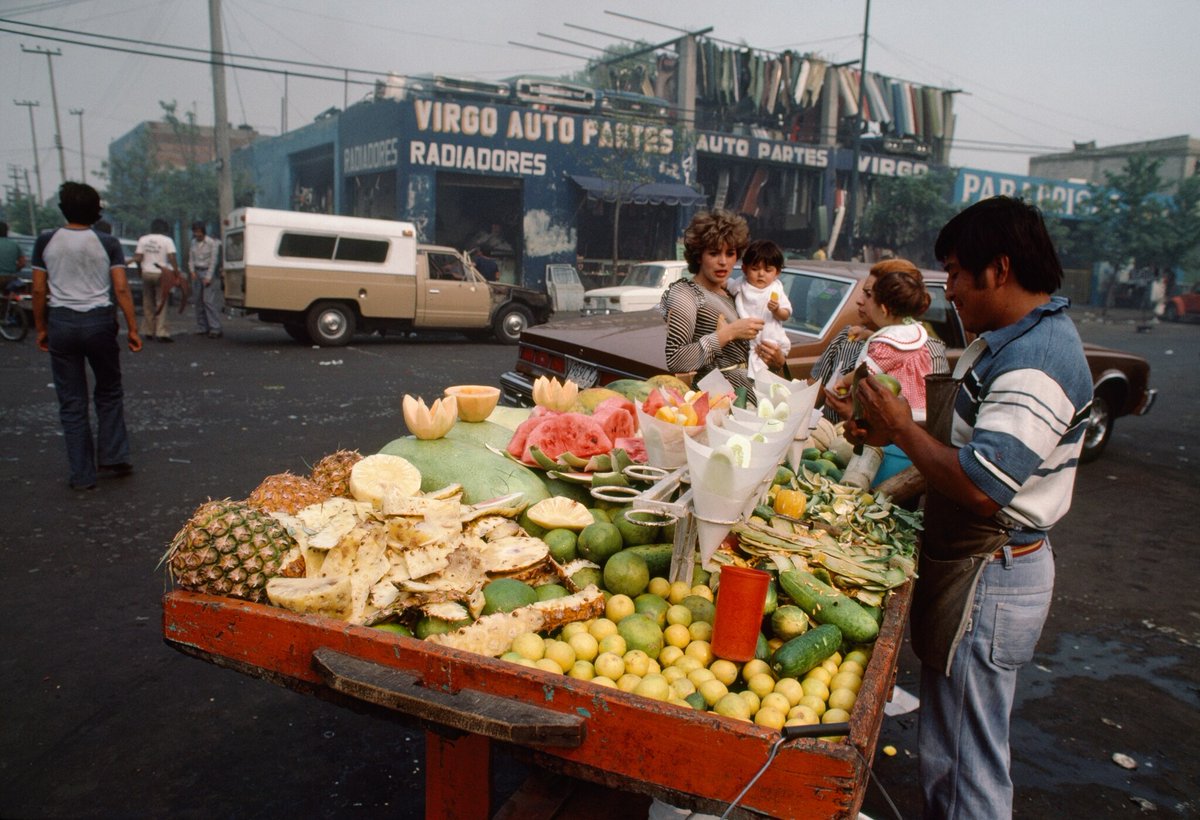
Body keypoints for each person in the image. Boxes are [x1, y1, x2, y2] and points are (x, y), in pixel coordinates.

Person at [849, 196, 1093, 820]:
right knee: (951, 755)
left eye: (957, 271)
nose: (948, 288)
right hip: (980, 568)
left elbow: (984, 485)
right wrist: (890, 434)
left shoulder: (1037, 359)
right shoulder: (1009, 341)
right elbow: (969, 443)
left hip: (995, 574)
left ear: (1000, 269)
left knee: (968, 770)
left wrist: (903, 430)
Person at [30, 182, 141, 491]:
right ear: (96, 211)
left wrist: (41, 328)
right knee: (108, 391)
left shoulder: (46, 241)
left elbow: (39, 289)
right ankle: (114, 455)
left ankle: (82, 475)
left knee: (72, 402)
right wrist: (132, 328)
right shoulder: (107, 242)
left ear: (64, 209)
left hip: (62, 323)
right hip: (99, 324)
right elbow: (120, 288)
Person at [659, 210, 780, 399]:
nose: (723, 262)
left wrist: (775, 361)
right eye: (714, 253)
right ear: (699, 256)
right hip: (714, 402)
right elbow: (676, 359)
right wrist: (728, 333)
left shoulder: (734, 293)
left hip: (749, 398)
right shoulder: (686, 293)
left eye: (730, 253)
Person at [814, 260, 949, 424]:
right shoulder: (847, 339)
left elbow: (935, 423)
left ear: (886, 305)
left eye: (869, 294)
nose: (859, 300)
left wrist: (851, 414)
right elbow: (814, 392)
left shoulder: (928, 352)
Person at [731, 239, 792, 379]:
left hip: (769, 339)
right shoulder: (741, 285)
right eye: (755, 269)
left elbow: (786, 314)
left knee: (765, 375)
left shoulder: (775, 289)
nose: (761, 274)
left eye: (768, 270)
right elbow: (726, 287)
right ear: (744, 269)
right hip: (747, 340)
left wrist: (776, 310)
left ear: (777, 272)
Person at [132, 218, 179, 342]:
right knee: (161, 302)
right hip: (161, 274)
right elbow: (171, 257)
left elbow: (138, 258)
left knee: (147, 302)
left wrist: (139, 271)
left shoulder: (143, 239)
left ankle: (148, 330)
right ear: (164, 229)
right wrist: (176, 272)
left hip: (146, 272)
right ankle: (161, 332)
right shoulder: (167, 240)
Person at [189, 221, 223, 337]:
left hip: (207, 271)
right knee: (198, 301)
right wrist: (192, 271)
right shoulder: (193, 242)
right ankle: (202, 326)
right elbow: (191, 258)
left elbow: (214, 261)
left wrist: (208, 277)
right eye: (195, 232)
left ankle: (215, 327)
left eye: (199, 232)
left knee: (208, 301)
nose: (197, 234)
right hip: (197, 272)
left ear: (203, 232)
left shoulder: (211, 243)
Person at [0, 221, 28, 287]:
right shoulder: (14, 245)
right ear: (7, 231)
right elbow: (22, 263)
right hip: (11, 279)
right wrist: (13, 269)